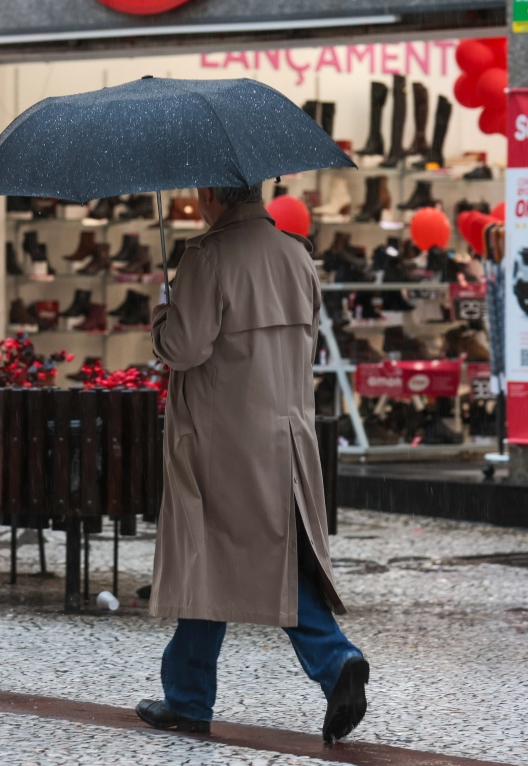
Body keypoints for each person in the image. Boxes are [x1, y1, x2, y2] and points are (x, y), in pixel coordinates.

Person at [138, 183, 369, 742]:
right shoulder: (297, 254)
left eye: (200, 191)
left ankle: (334, 658)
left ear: (214, 192)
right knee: (230, 557)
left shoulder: (207, 257)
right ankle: (188, 697)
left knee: (230, 555)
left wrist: (163, 316)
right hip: (286, 430)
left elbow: (183, 349)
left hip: (222, 437)